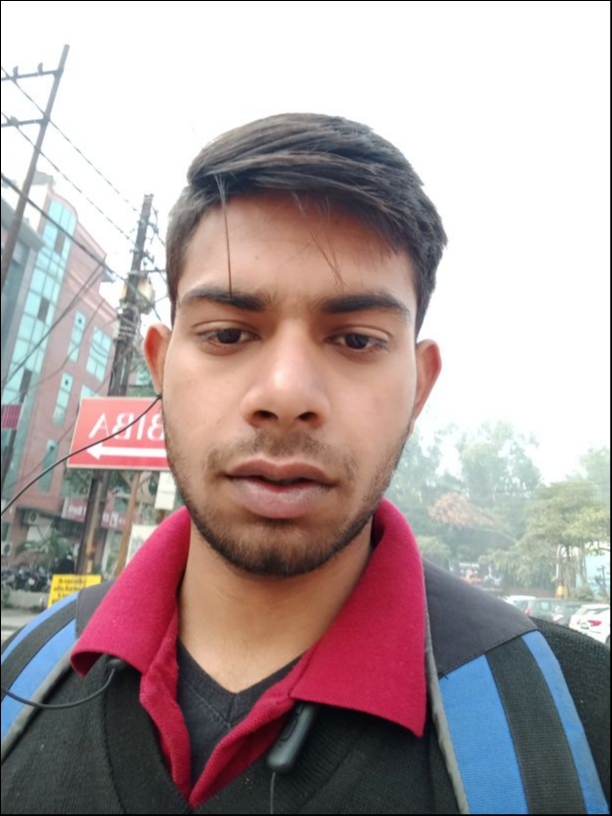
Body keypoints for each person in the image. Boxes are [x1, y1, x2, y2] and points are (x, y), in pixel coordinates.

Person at [1, 113, 609, 814]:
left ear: (419, 387)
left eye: (355, 340)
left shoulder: (579, 719)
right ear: (161, 366)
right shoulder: (21, 677)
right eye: (228, 333)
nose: (286, 396)